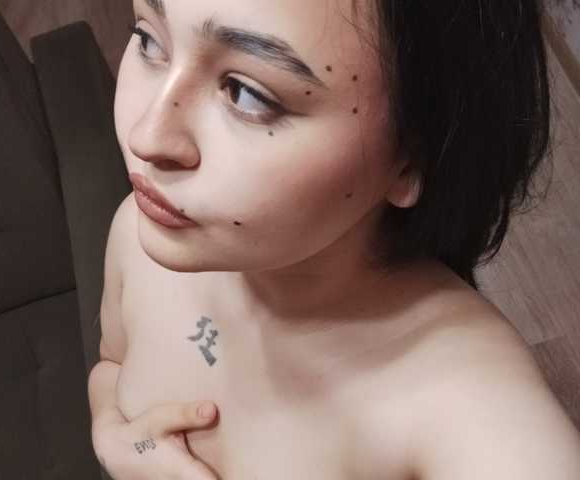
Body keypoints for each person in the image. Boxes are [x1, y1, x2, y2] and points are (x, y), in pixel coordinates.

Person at [88, 0, 580, 478]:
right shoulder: (139, 238)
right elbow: (111, 367)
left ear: (412, 157)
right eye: (149, 41)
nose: (147, 136)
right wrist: (115, 438)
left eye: (247, 94)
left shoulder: (466, 411)